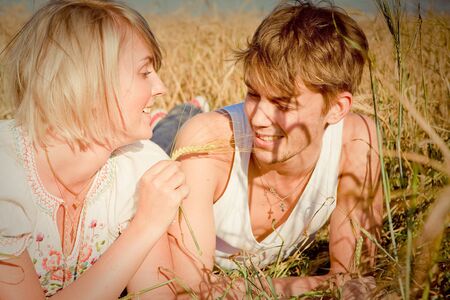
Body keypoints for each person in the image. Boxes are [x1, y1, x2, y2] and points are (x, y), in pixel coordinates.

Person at [166, 0, 383, 297]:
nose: (258, 118)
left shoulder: (357, 141)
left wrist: (239, 288)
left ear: (336, 108)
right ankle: (181, 112)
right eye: (253, 93)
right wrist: (318, 284)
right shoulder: (205, 143)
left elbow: (356, 279)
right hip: (175, 143)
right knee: (170, 130)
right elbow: (187, 291)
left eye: (283, 103)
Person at [0, 0, 188, 298]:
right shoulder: (7, 173)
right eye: (144, 72)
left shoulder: (140, 165)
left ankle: (184, 114)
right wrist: (146, 225)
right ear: (88, 82)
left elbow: (155, 294)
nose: (161, 86)